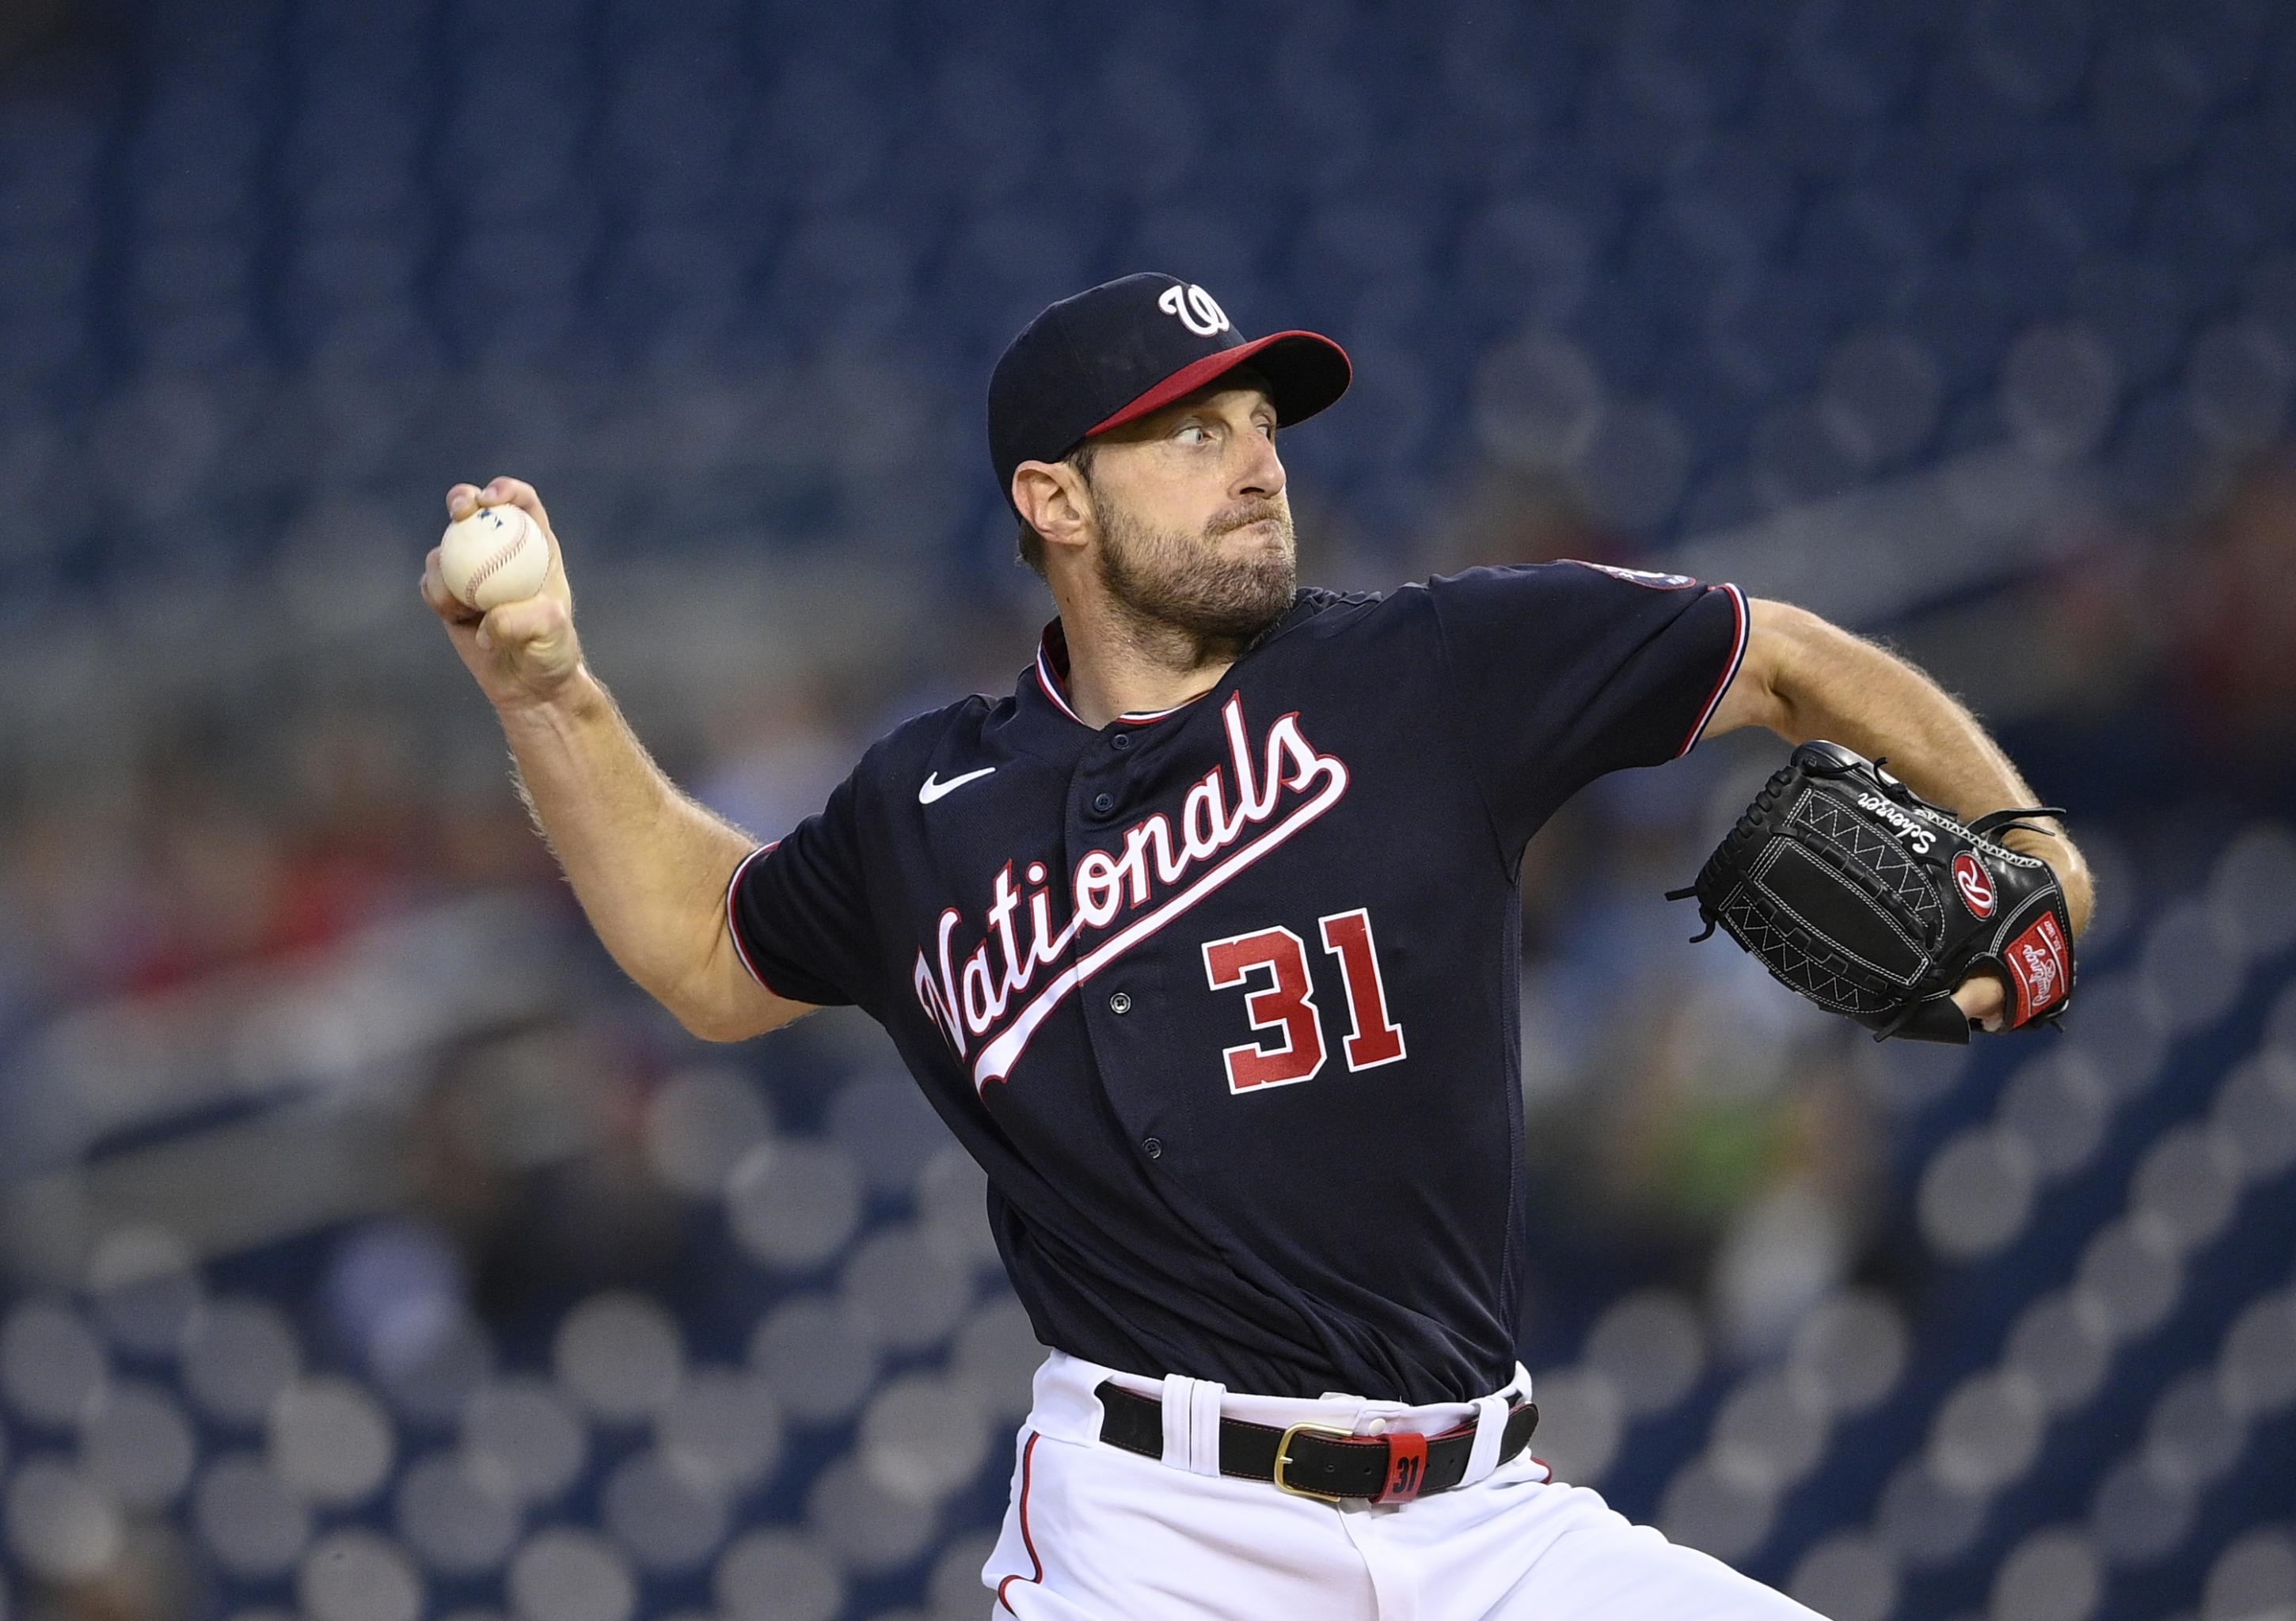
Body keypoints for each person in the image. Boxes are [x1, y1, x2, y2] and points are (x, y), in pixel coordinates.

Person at [421, 272, 2093, 1620]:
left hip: (1490, 1520)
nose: (1257, 456)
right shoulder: (929, 807)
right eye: (1189, 432)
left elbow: (1781, 656)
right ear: (1051, 497)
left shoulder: (1426, 670)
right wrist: (550, 696)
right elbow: (709, 950)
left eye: (1259, 420)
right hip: (1159, 1536)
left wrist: (2033, 850)